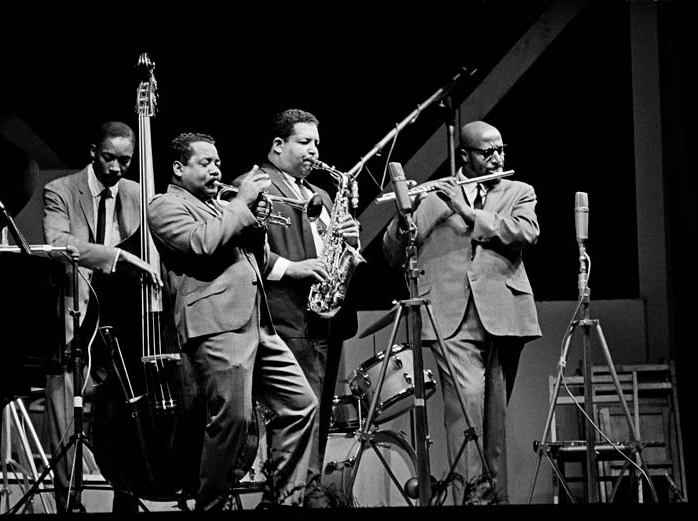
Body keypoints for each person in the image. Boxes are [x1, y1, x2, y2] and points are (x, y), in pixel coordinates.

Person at [147, 132, 318, 511]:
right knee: (234, 422)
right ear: (178, 168)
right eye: (205, 163)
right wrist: (240, 204)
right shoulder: (164, 206)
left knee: (301, 405)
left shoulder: (221, 205)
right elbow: (201, 244)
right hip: (217, 324)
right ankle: (212, 505)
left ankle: (281, 500)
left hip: (259, 322)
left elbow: (257, 257)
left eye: (218, 163)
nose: (215, 170)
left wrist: (256, 224)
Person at [382, 120, 541, 505]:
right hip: (449, 315)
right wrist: (411, 213)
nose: (497, 158)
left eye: (501, 150)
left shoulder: (518, 191)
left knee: (494, 420)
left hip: (504, 312)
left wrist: (468, 213)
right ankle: (471, 499)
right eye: (487, 152)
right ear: (465, 155)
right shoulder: (435, 196)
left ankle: (492, 497)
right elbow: (393, 252)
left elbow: (525, 233)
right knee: (465, 410)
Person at [237, 108, 360, 504]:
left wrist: (348, 241)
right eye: (304, 142)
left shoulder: (320, 195)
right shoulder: (253, 186)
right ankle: (287, 497)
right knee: (293, 418)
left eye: (317, 144)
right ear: (278, 146)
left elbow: (330, 250)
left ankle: (309, 492)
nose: (314, 151)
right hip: (282, 317)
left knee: (318, 417)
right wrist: (293, 268)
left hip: (322, 319)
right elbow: (245, 253)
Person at [42, 120, 161, 513]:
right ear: (94, 150)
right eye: (109, 158)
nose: (116, 168)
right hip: (74, 318)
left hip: (125, 321)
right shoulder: (60, 190)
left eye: (125, 161)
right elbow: (58, 243)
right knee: (64, 419)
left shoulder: (139, 193)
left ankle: (126, 499)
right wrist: (116, 256)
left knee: (127, 414)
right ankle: (68, 504)